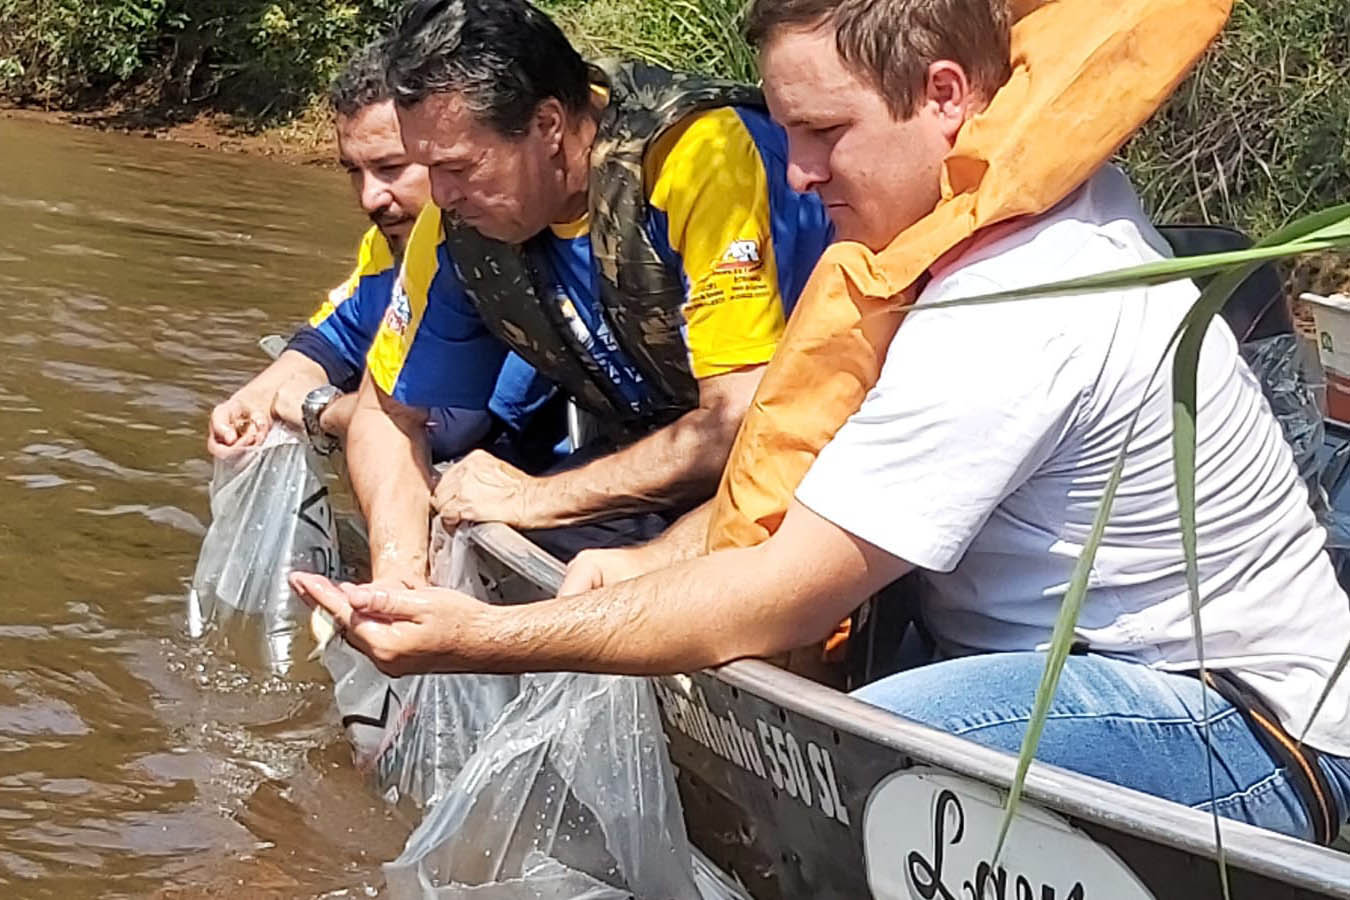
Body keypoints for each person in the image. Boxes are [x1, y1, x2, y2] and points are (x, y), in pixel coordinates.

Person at [292, 0, 1350, 842]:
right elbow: (817, 495)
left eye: (821, 133)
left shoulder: (1023, 292)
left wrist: (488, 640)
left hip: (1241, 728)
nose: (794, 172)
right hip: (1071, 679)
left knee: (874, 767)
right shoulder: (941, 250)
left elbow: (785, 596)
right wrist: (656, 563)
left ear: (945, 96)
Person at [342, 0, 834, 583]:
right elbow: (386, 413)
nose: (441, 195)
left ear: (548, 126)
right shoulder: (458, 223)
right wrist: (400, 577)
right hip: (657, 454)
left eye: (459, 167)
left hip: (810, 463)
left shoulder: (697, 157)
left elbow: (737, 422)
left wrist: (534, 499)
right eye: (428, 167)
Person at [206, 39, 551, 463]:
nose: (370, 198)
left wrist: (320, 408)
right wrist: (256, 396)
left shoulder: (501, 248)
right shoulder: (389, 244)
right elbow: (332, 339)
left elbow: (445, 427)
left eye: (391, 169)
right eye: (355, 171)